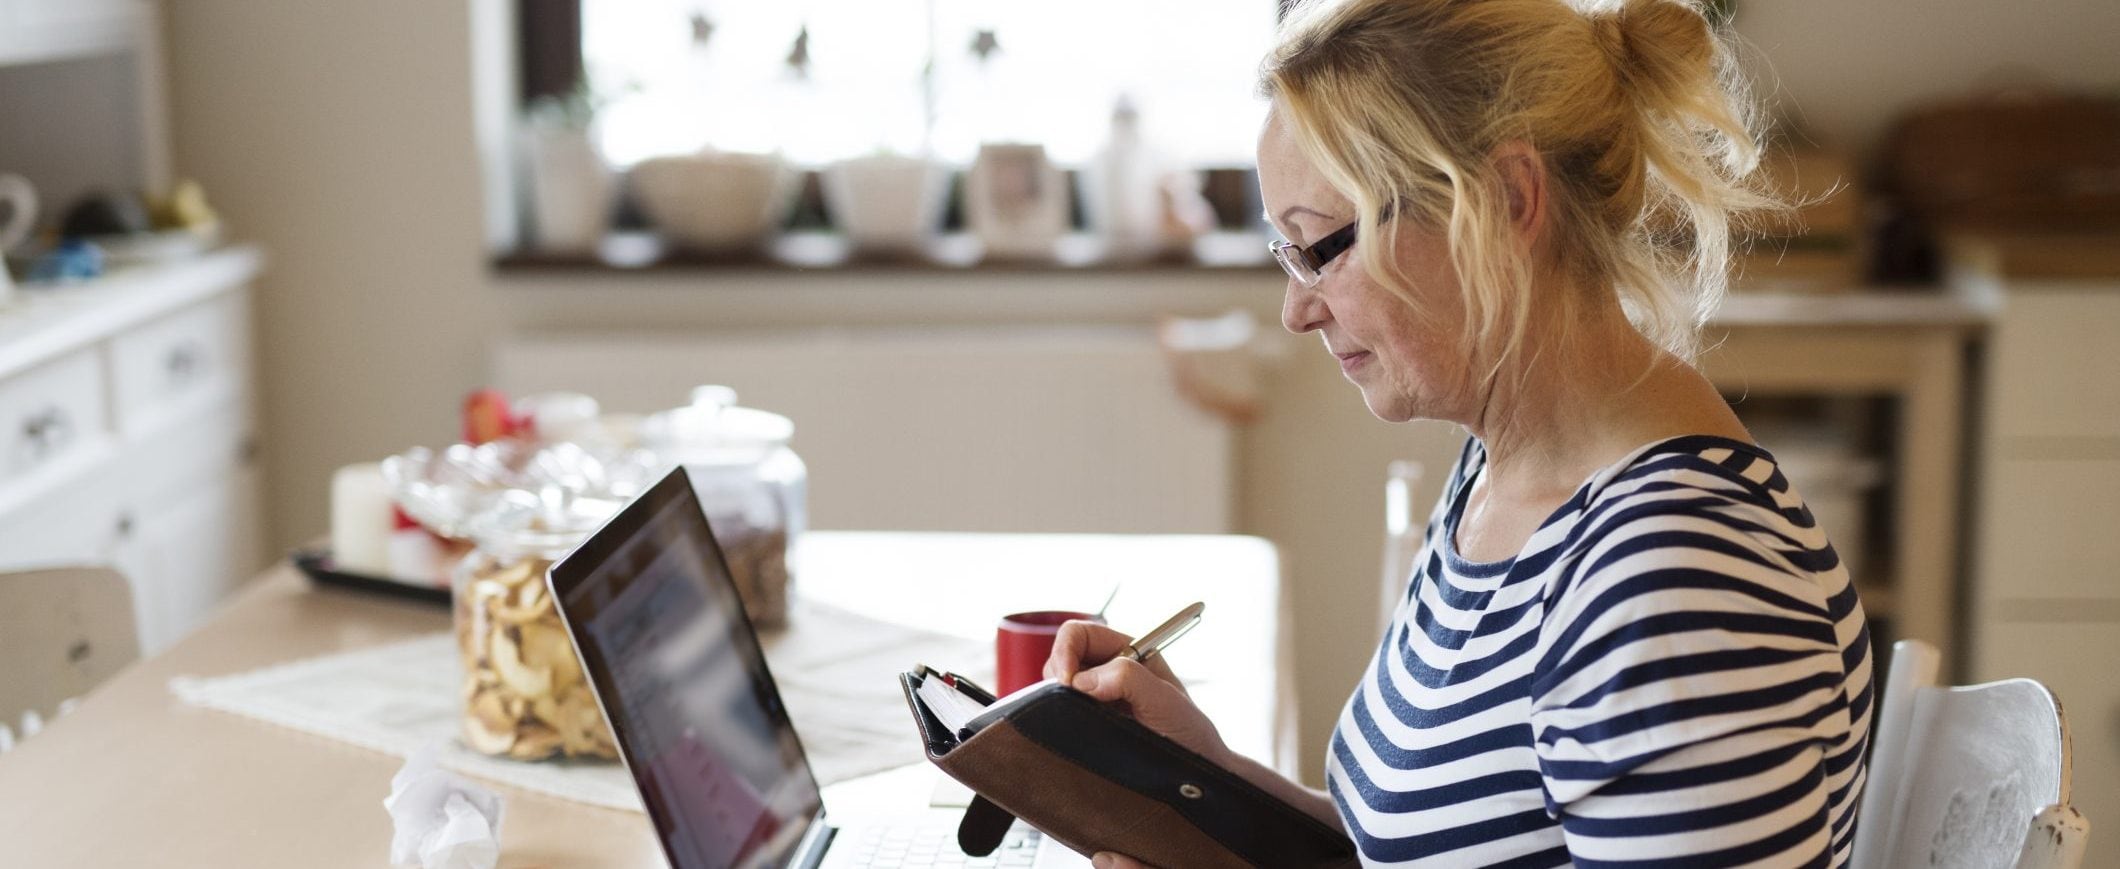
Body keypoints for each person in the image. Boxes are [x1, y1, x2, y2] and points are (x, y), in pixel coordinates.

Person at [1045, 0, 1874, 865]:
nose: (1297, 308)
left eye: (1322, 245)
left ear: (1510, 199)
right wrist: (1201, 773)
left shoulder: (1674, 585)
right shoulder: (1505, 475)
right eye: (1285, 255)